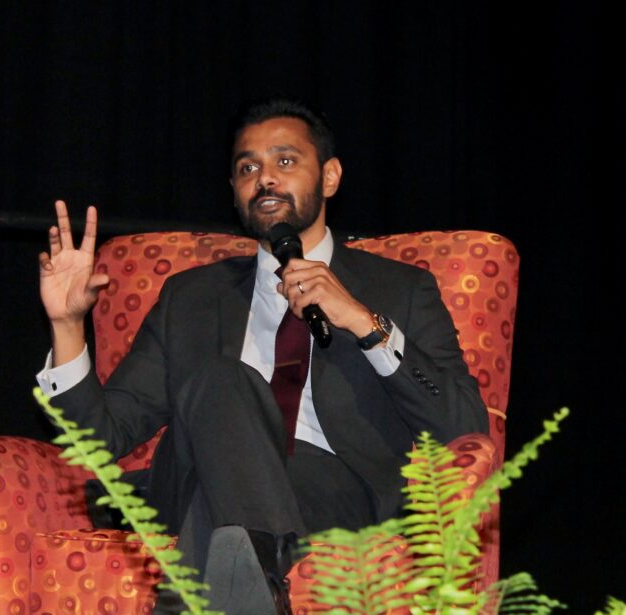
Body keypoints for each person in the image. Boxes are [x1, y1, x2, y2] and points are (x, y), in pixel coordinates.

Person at [37, 99, 488, 614]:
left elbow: (464, 425)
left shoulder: (399, 289)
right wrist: (67, 325)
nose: (265, 179)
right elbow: (100, 437)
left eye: (285, 162)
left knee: (228, 510)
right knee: (225, 379)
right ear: (234, 191)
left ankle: (217, 592)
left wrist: (365, 322)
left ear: (331, 176)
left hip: (335, 488)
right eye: (247, 168)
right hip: (190, 476)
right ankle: (260, 585)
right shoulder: (190, 297)